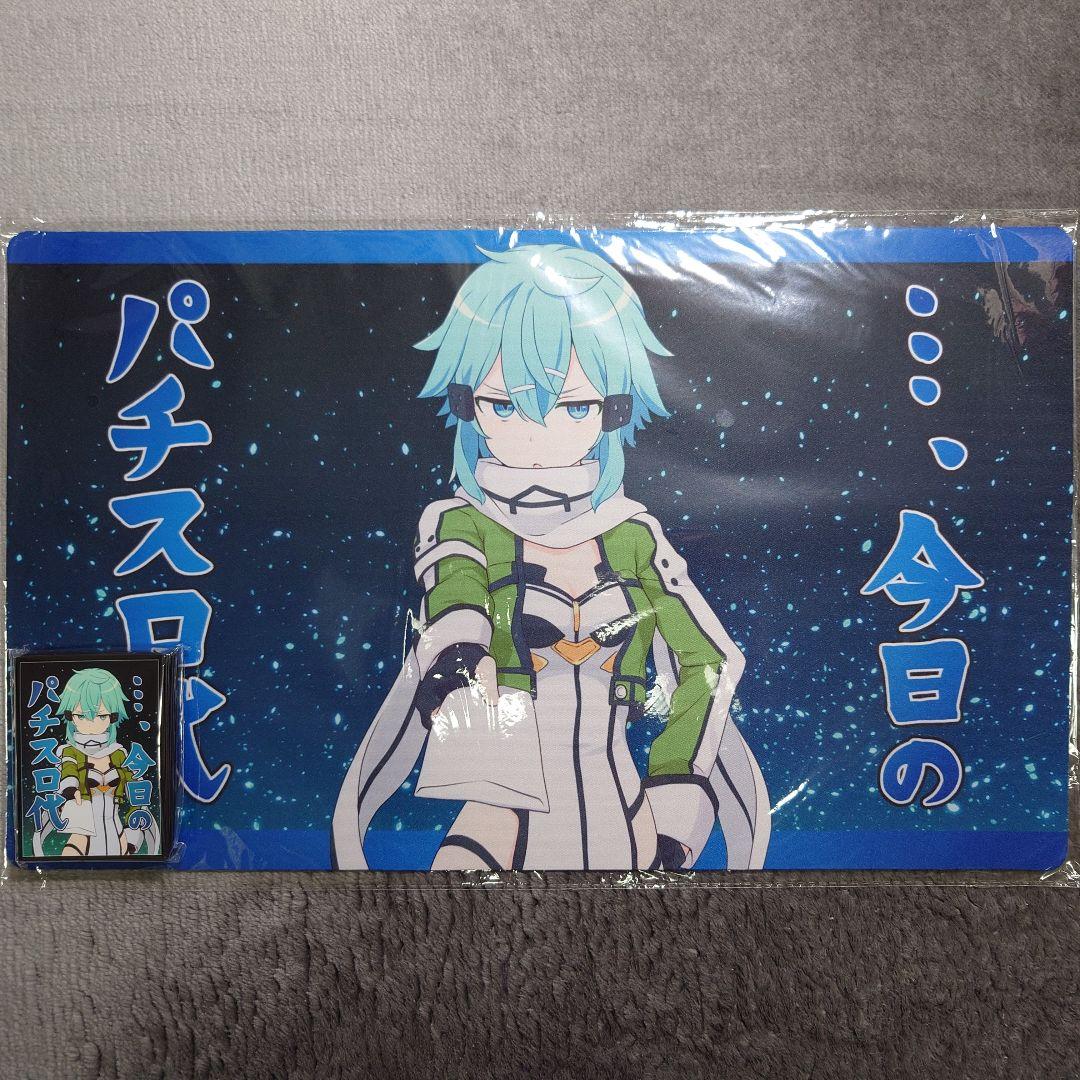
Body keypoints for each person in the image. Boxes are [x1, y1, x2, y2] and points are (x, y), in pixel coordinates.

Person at [333, 243, 769, 871]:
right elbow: (455, 596)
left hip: (629, 805)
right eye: (504, 404)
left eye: (574, 407)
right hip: (503, 802)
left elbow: (710, 659)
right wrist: (460, 660)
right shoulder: (461, 523)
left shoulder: (633, 537)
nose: (538, 434)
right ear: (469, 404)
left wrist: (678, 794)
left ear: (612, 410)